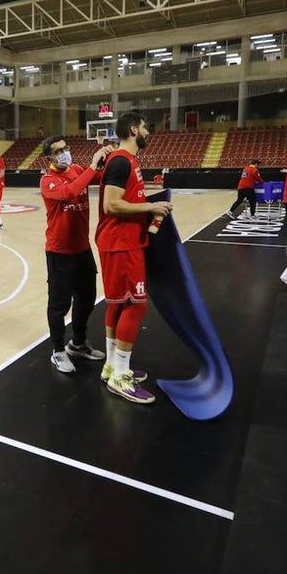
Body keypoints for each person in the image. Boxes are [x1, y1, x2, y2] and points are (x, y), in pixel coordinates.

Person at [95, 113, 172, 404]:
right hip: (120, 244)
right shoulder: (120, 161)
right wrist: (150, 208)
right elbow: (111, 205)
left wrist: (148, 208)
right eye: (144, 127)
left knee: (118, 304)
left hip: (122, 242)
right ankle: (120, 376)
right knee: (136, 306)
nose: (148, 132)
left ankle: (112, 367)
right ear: (132, 130)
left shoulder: (128, 160)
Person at [40, 135, 111, 374]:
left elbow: (101, 177)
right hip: (59, 252)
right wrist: (93, 165)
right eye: (58, 151)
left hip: (82, 249)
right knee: (59, 305)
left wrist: (111, 158)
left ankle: (78, 343)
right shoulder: (48, 181)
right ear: (49, 158)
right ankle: (58, 350)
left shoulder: (78, 170)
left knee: (87, 298)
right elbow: (71, 192)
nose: (64, 153)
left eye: (65, 148)